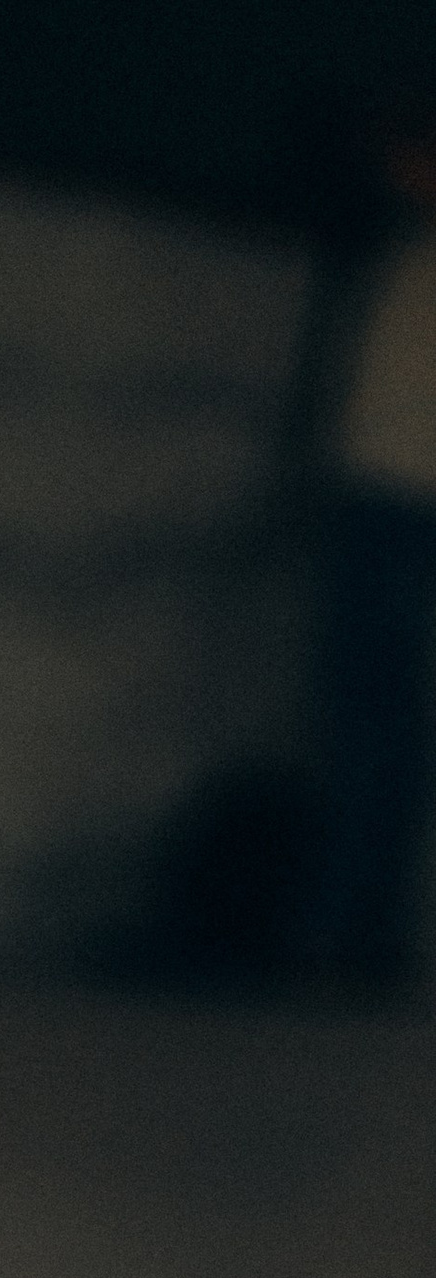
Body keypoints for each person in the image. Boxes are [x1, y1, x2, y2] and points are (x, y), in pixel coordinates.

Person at [300, 111, 436, 985]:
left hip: (409, 492)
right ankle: (348, 924)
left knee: (379, 711)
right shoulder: (405, 253)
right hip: (378, 486)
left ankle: (350, 927)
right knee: (361, 704)